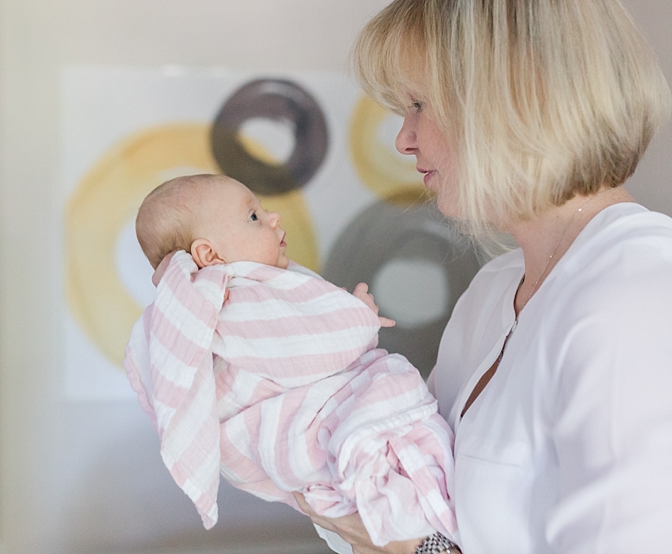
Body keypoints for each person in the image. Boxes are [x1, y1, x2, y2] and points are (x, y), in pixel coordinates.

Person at [295, 0, 672, 554]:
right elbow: (413, 497)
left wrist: (412, 551)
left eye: (418, 105)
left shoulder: (637, 307)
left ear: (510, 93)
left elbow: (422, 541)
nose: (403, 140)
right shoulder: (492, 295)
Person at [124, 173, 459, 553]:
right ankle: (415, 517)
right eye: (252, 216)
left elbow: (296, 341)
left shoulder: (236, 298)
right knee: (392, 438)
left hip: (311, 426)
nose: (273, 217)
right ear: (209, 255)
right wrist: (356, 317)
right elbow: (314, 348)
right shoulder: (232, 302)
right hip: (301, 431)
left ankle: (423, 524)